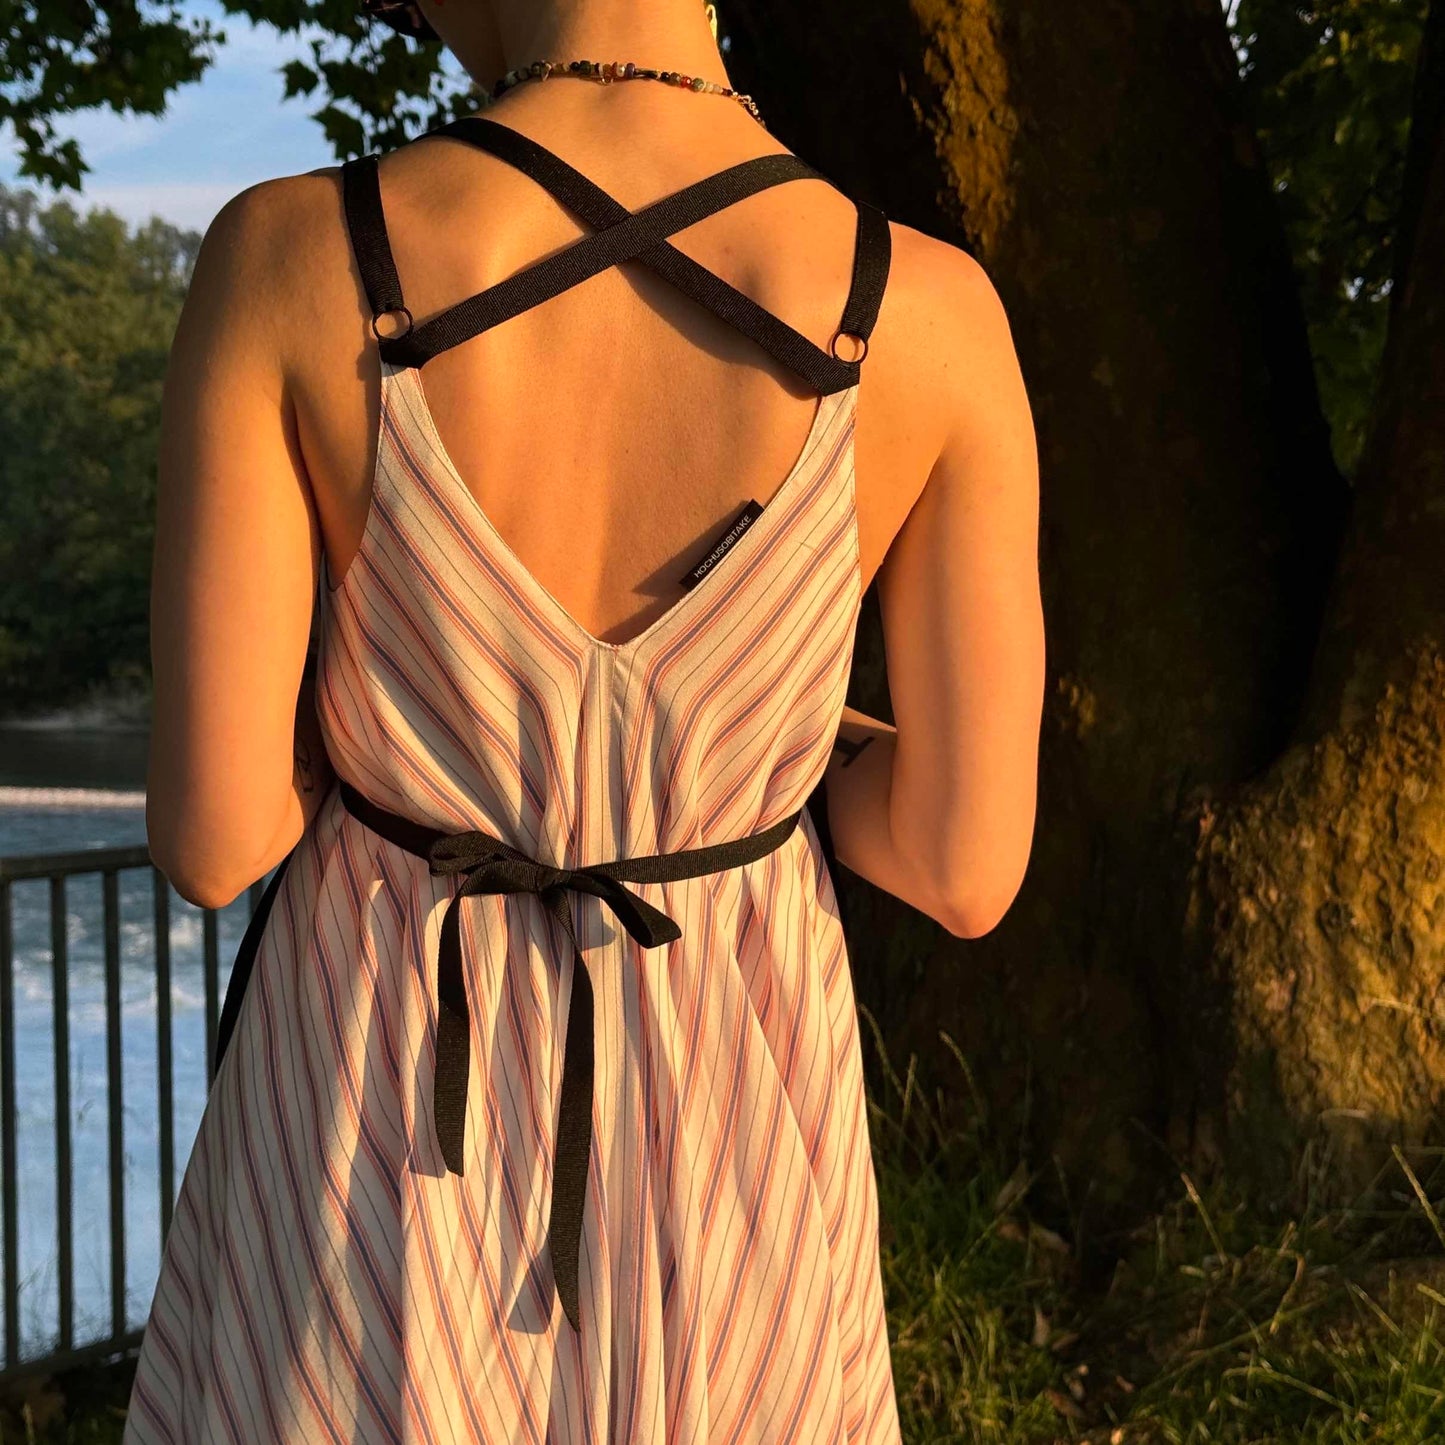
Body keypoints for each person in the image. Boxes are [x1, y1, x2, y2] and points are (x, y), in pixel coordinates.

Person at [131, 0, 1043, 1437]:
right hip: (738, 1155)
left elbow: (215, 834)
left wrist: (387, 722)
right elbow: (958, 863)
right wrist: (769, 751)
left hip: (372, 1137)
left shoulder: (296, 255)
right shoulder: (927, 309)